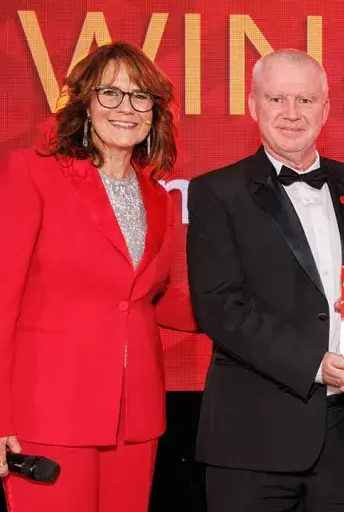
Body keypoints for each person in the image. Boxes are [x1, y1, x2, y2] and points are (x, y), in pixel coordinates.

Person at [186, 49, 344, 512]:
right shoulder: (215, 192)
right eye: (277, 98)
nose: (291, 113)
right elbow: (219, 307)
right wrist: (314, 365)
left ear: (325, 108)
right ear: (253, 105)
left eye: (305, 100)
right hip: (253, 437)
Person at [0, 42, 197, 512]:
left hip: (135, 419)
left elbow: (148, 297)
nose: (126, 107)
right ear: (84, 102)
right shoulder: (33, 172)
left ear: (155, 111)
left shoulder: (157, 197)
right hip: (50, 412)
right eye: (110, 92)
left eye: (140, 96)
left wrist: (250, 306)